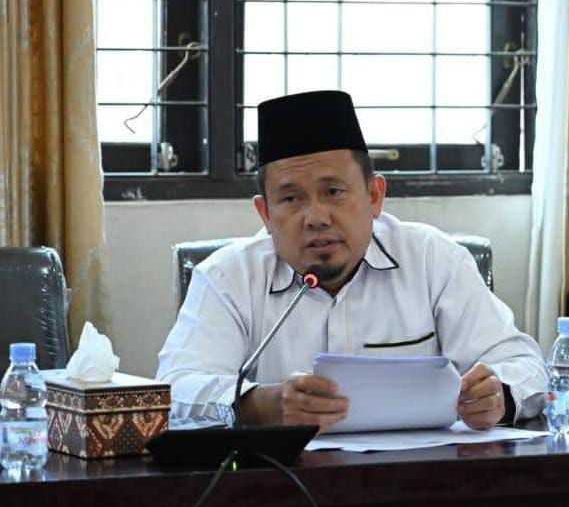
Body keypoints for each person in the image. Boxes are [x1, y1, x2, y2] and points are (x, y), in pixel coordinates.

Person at [157, 90, 546, 431]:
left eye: (333, 192)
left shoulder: (433, 260)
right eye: (290, 198)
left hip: (420, 477)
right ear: (265, 214)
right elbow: (173, 391)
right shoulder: (228, 278)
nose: (316, 217)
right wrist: (261, 405)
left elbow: (522, 364)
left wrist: (498, 395)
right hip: (277, 485)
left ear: (374, 196)